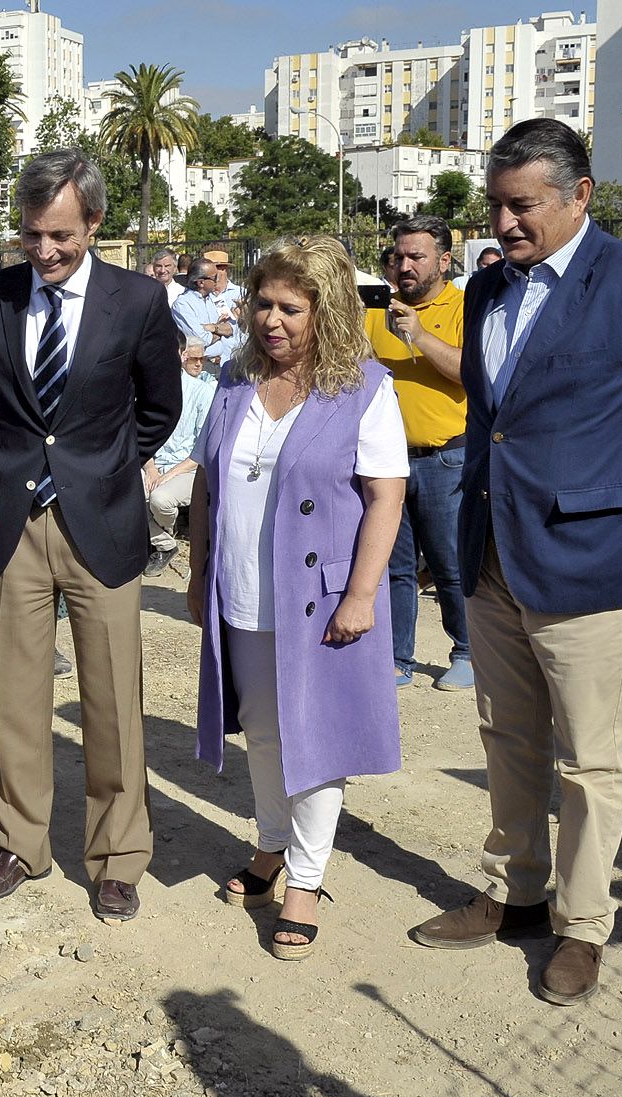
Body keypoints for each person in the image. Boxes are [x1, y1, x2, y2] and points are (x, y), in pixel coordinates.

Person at [406, 119, 622, 1005]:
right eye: (495, 205)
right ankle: (516, 892)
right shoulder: (486, 287)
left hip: (592, 562)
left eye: (523, 205)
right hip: (493, 555)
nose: (504, 222)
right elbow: (494, 416)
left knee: (590, 758)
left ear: (580, 195)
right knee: (508, 737)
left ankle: (582, 924)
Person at [0, 148, 180, 923]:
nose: (45, 250)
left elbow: (160, 408)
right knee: (13, 697)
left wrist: (101, 469)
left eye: (60, 235)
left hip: (103, 522)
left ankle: (117, 859)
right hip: (14, 521)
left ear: (93, 222)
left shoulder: (138, 300)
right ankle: (19, 843)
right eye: (31, 234)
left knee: (112, 701)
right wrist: (29, 467)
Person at [188, 236, 407, 959]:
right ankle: (272, 843)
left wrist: (362, 594)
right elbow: (207, 481)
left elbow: (385, 497)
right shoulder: (233, 379)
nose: (271, 320)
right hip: (242, 589)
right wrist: (199, 570)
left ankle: (306, 880)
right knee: (262, 729)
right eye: (263, 304)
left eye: (290, 308)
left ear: (327, 311)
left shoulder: (364, 388)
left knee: (314, 737)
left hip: (319, 597)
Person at [363, 214, 473, 691]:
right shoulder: (376, 311)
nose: (405, 265)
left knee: (450, 565)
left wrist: (420, 335)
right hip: (385, 463)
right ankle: (397, 657)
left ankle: (467, 651)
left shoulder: (464, 306)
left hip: (445, 460)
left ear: (444, 261)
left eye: (417, 257)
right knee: (394, 566)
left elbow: (472, 373)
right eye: (399, 256)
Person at [142, 331, 216, 577]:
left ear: (181, 355)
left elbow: (202, 448)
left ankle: (159, 535)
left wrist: (168, 475)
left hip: (186, 468)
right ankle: (165, 543)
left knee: (159, 499)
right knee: (124, 492)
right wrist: (151, 468)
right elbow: (141, 435)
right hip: (152, 463)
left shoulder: (201, 392)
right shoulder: (146, 388)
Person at [173, 257, 239, 368]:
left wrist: (211, 327)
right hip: (198, 367)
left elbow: (231, 329)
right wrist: (220, 330)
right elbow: (201, 340)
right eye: (214, 277)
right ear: (201, 282)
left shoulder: (214, 299)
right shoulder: (183, 304)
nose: (217, 280)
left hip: (220, 364)